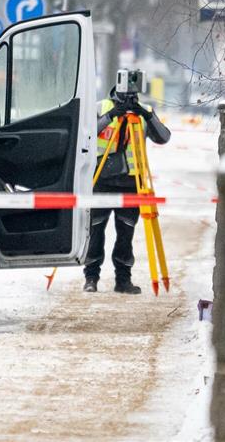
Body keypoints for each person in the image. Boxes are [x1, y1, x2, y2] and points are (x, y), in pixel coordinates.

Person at [83, 82, 171, 294]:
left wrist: (146, 115)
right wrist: (113, 114)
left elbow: (164, 137)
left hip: (131, 183)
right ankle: (91, 278)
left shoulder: (144, 112)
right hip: (101, 181)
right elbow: (86, 134)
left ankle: (123, 280)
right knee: (95, 232)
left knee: (126, 235)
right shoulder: (100, 107)